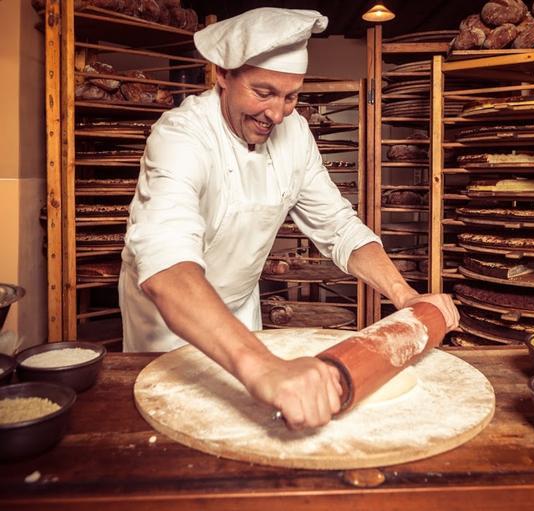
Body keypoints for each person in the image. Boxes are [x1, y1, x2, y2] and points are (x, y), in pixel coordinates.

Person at [119, 7, 459, 430]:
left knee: (251, 432)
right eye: (263, 92)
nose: (277, 114)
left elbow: (339, 226)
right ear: (223, 74)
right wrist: (264, 368)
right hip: (171, 320)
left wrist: (406, 296)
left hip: (241, 312)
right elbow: (166, 269)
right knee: (175, 432)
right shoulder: (180, 137)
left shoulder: (295, 134)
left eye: (291, 96)